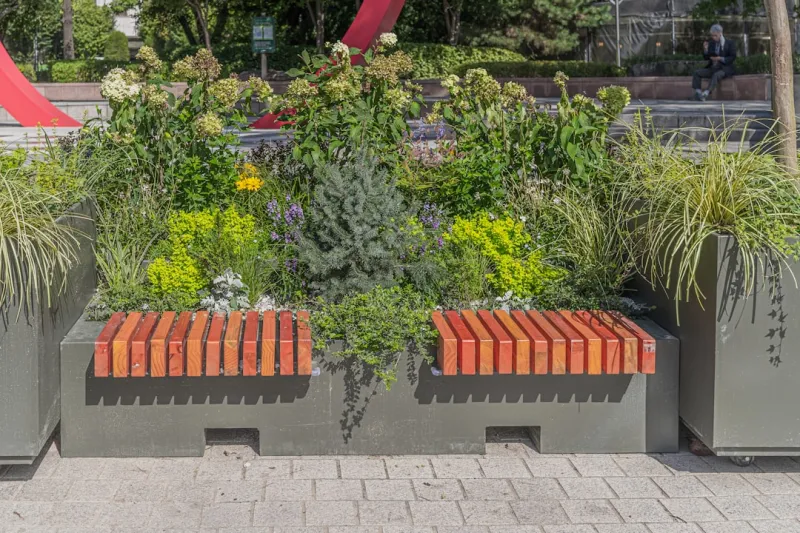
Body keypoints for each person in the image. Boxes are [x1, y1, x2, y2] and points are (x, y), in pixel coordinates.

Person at [692, 24, 736, 101]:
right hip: (713, 67)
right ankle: (698, 93)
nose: (713, 37)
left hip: (724, 69)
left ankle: (706, 93)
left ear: (720, 33)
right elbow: (706, 57)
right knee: (697, 73)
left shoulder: (730, 43)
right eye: (712, 35)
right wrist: (705, 49)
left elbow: (732, 57)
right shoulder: (711, 43)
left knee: (716, 75)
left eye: (715, 35)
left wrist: (720, 58)